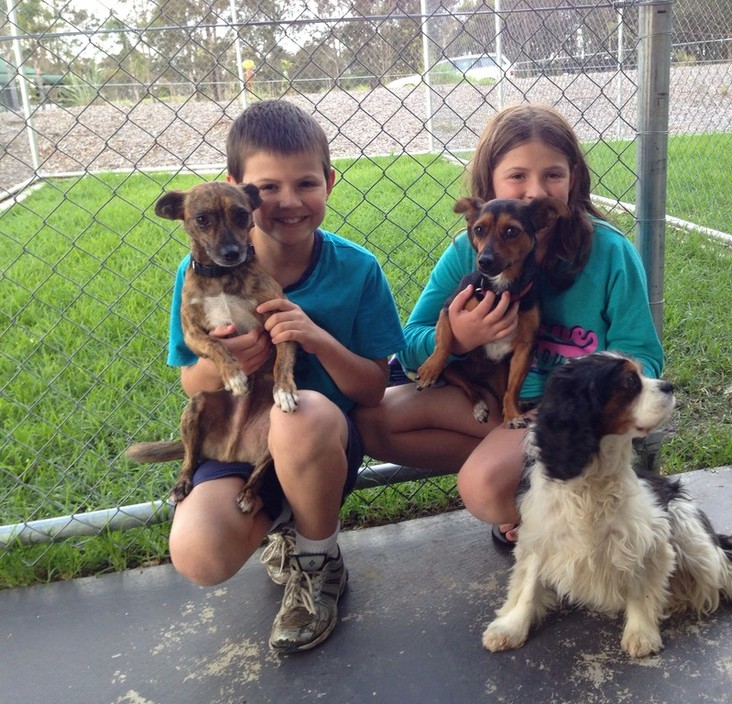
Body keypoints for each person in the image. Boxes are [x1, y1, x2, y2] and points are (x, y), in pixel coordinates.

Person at [354, 104, 664, 548]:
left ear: (573, 177)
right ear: (490, 184)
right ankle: (530, 489)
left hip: (571, 413)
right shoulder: (472, 251)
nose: (534, 191)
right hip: (502, 403)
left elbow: (643, 354)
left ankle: (543, 508)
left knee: (481, 489)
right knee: (368, 420)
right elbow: (408, 345)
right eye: (517, 176)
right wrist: (459, 338)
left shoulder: (611, 253)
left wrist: (582, 402)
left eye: (552, 175)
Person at [165, 100, 404, 653]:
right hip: (241, 433)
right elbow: (193, 383)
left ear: (329, 182)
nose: (289, 201)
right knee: (199, 554)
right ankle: (279, 527)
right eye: (268, 188)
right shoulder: (197, 273)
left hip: (317, 441)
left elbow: (373, 388)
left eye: (306, 183)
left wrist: (314, 336)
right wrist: (236, 361)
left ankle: (319, 563)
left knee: (303, 413)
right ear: (237, 189)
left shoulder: (357, 268)